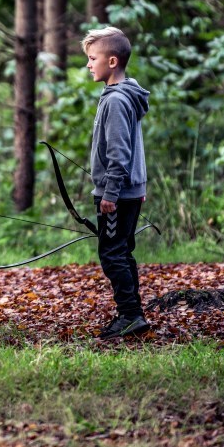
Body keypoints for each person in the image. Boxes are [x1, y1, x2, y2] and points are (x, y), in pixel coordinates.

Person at [82, 26, 152, 339]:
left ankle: (130, 315)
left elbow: (120, 152)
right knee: (122, 251)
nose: (88, 64)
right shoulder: (122, 95)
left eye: (92, 58)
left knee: (112, 254)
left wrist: (110, 192)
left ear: (112, 62)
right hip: (128, 191)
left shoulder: (116, 101)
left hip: (118, 194)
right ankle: (131, 314)